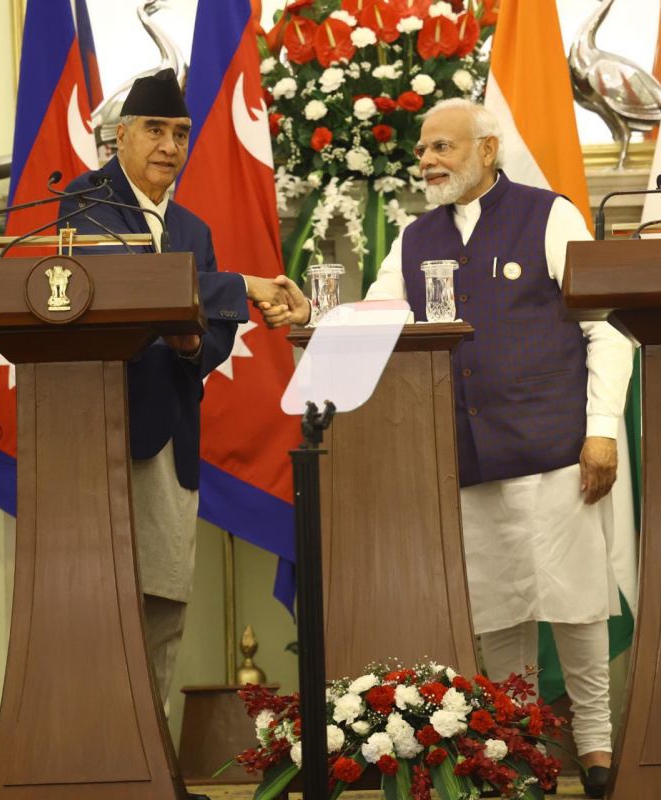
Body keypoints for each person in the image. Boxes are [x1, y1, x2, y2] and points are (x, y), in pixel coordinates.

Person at [265, 99, 634, 799]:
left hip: (560, 452)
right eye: (423, 149)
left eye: (441, 147)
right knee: (499, 620)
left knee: (579, 608)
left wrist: (602, 429)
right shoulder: (414, 237)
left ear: (487, 151)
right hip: (467, 461)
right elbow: (377, 322)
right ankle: (521, 751)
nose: (426, 160)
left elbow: (605, 329)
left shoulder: (550, 215)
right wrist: (314, 317)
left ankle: (595, 752)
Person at [59, 69, 290, 720]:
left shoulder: (192, 227)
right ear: (121, 137)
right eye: (155, 130)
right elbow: (123, 283)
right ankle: (92, 756)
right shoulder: (85, 202)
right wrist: (244, 284)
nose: (168, 145)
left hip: (171, 436)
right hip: (99, 432)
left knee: (163, 602)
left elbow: (212, 336)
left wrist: (195, 346)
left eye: (181, 134)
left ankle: (152, 760)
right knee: (97, 605)